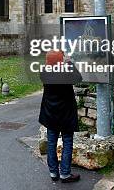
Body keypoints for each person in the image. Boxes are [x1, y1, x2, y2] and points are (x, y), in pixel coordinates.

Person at [39, 50, 81, 183]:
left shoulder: (44, 72)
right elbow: (78, 78)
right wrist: (69, 63)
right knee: (67, 142)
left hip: (51, 114)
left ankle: (53, 172)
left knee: (51, 143)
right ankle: (65, 174)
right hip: (66, 115)